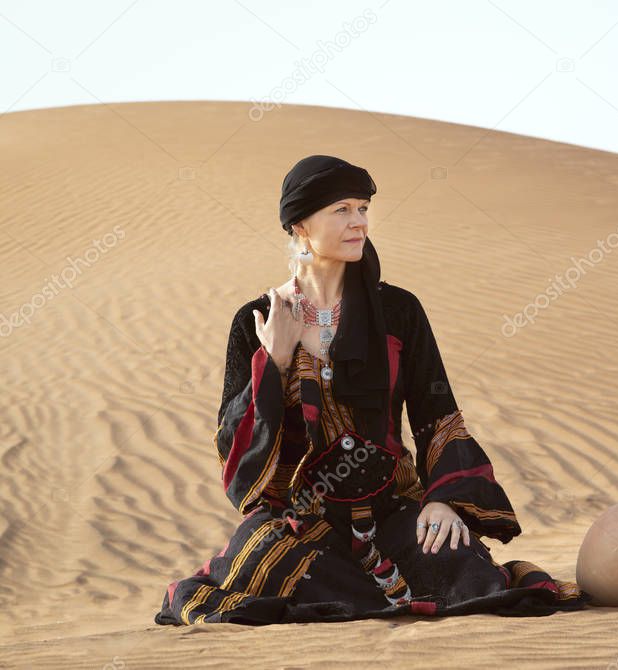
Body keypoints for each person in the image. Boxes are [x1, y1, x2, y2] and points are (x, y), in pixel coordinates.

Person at [154, 155, 591, 625]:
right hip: (300, 515)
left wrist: (442, 500)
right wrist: (276, 361)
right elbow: (234, 448)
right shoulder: (256, 320)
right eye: (341, 210)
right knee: (263, 571)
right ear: (300, 225)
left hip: (392, 505)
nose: (359, 222)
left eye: (363, 208)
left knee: (461, 568)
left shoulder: (399, 311)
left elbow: (437, 414)